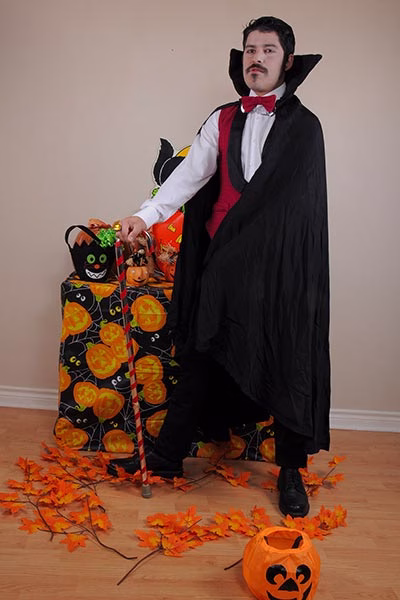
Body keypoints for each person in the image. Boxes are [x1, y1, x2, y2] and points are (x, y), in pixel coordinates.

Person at [107, 16, 330, 518]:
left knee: (287, 358)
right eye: (251, 49)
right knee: (201, 353)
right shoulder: (223, 119)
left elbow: (305, 215)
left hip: (277, 275)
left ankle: (291, 470)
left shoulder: (306, 128)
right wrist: (146, 216)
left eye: (268, 50)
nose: (257, 58)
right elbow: (189, 176)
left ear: (288, 61)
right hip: (221, 263)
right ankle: (167, 457)